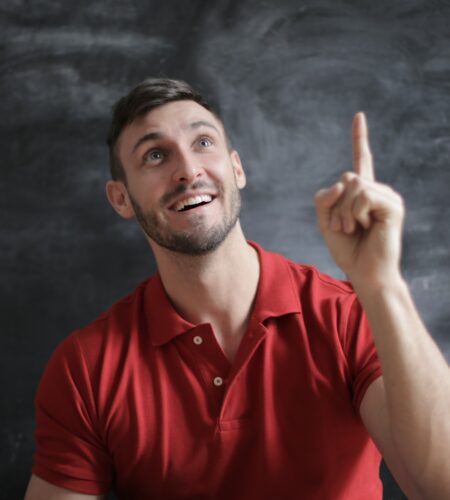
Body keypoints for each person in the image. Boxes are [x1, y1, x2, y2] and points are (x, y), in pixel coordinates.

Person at [25, 78, 450, 500]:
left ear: (237, 169)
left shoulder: (351, 316)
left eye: (203, 143)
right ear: (121, 199)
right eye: (155, 155)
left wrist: (383, 284)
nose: (189, 170)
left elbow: (438, 486)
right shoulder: (85, 368)